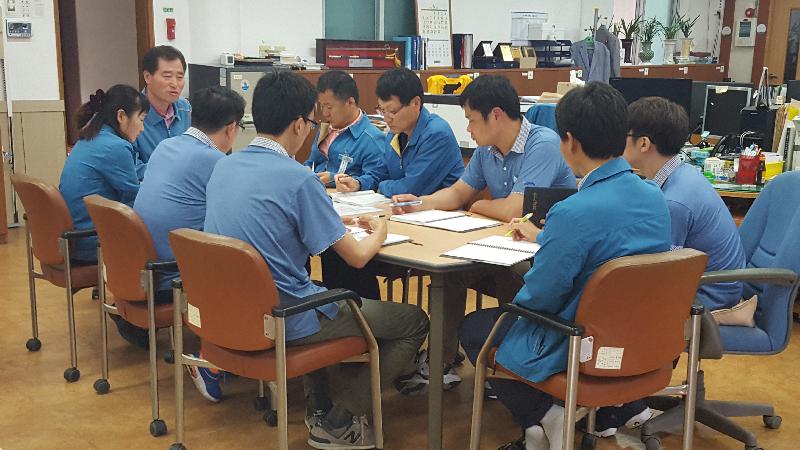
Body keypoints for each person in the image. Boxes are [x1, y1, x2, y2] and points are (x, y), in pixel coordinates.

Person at [203, 70, 428, 450]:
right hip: (285, 314)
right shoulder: (297, 178)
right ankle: (341, 420)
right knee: (413, 321)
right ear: (297, 124)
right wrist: (380, 229)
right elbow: (358, 257)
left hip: (231, 311)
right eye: (311, 122)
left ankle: (320, 407)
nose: (311, 129)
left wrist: (333, 221)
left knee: (319, 288)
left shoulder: (224, 165)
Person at [458, 82, 672, 450]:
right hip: (641, 337)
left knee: (477, 328)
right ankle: (550, 422)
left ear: (570, 141)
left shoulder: (572, 212)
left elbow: (540, 296)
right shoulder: (654, 196)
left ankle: (544, 416)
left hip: (580, 340)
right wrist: (548, 239)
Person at [391, 75, 576, 395]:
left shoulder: (542, 144)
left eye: (472, 120)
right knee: (447, 271)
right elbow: (457, 193)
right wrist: (419, 203)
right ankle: (443, 361)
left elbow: (514, 210)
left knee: (509, 274)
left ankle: (510, 367)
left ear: (496, 115)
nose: (469, 129)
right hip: (502, 245)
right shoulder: (486, 150)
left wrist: (477, 204)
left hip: (540, 254)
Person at [587, 96, 750, 438]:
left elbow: (662, 278)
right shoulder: (678, 175)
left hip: (710, 295)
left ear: (643, 143)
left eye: (624, 135)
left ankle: (623, 402)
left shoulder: (674, 200)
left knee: (609, 305)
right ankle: (624, 398)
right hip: (708, 281)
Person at [133, 86, 245, 399]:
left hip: (145, 264)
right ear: (231, 128)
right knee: (253, 263)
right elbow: (240, 217)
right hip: (174, 271)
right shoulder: (215, 160)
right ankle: (215, 362)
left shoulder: (165, 146)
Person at [59, 84, 149, 346]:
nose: (142, 128)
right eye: (141, 120)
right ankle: (136, 319)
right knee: (159, 238)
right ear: (122, 116)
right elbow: (135, 199)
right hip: (91, 240)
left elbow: (134, 172)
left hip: (75, 233)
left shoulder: (93, 136)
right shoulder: (115, 147)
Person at [337, 67, 464, 197]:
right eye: (382, 110)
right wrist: (358, 183)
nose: (387, 119)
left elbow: (411, 189)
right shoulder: (395, 133)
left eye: (392, 111)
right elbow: (379, 174)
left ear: (416, 103)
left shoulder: (437, 134)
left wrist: (381, 187)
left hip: (441, 208)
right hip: (404, 206)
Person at [304, 70, 387, 191]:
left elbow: (376, 179)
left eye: (329, 107)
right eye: (321, 106)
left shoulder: (372, 138)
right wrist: (304, 170)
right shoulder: (326, 128)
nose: (325, 113)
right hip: (316, 191)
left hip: (344, 198)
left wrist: (335, 179)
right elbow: (312, 162)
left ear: (350, 102)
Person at [134, 45, 191, 169]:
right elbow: (132, 167)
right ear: (147, 77)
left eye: (180, 77)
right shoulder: (131, 113)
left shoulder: (185, 108)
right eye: (167, 76)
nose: (175, 84)